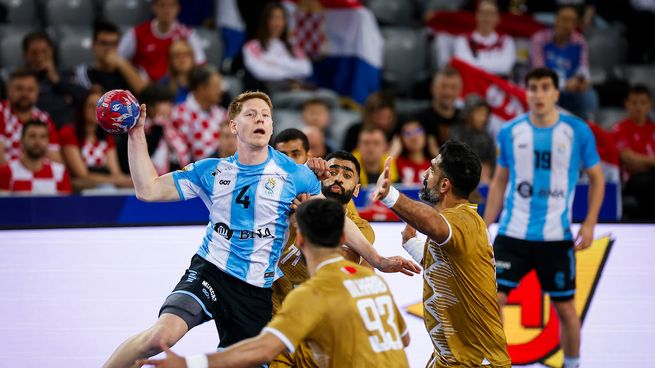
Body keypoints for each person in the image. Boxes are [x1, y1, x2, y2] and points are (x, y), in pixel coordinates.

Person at [102, 91, 418, 368]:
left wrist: (377, 260)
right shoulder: (212, 171)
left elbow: (337, 219)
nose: (260, 119)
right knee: (160, 337)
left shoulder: (295, 175)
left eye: (266, 114)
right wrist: (136, 134)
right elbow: (148, 190)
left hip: (255, 293)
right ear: (233, 126)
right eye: (251, 114)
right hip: (211, 271)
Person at [137, 199, 410, 368]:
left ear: (300, 241)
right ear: (342, 239)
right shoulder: (368, 278)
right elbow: (404, 338)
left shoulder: (310, 294)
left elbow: (263, 349)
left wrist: (191, 364)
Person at [483, 67, 605, 368]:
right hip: (512, 234)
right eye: (533, 88)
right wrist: (484, 224)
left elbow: (598, 179)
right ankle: (497, 362)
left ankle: (573, 364)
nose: (538, 94)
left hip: (556, 237)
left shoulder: (577, 131)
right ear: (526, 93)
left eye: (544, 87)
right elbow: (500, 180)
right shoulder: (510, 131)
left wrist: (589, 224)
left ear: (556, 93)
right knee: (491, 302)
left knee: (565, 309)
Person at [372, 140, 511, 367]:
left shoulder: (462, 220)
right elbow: (448, 267)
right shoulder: (460, 224)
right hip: (449, 359)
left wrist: (390, 196)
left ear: (445, 185)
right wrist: (411, 243)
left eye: (433, 169)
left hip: (477, 363)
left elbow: (435, 225)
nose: (425, 174)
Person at [270, 150, 376, 367]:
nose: (338, 178)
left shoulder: (361, 229)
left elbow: (339, 262)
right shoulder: (288, 202)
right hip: (277, 327)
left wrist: (304, 223)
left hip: (319, 337)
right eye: (333, 171)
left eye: (347, 176)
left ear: (356, 190)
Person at [530, 5, 599, 120]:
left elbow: (583, 69)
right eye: (564, 20)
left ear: (576, 24)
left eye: (572, 21)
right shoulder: (540, 39)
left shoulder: (580, 41)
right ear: (556, 20)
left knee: (589, 95)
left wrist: (581, 81)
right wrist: (564, 85)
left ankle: (588, 130)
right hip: (546, 89)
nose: (567, 25)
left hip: (571, 89)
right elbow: (539, 74)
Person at [59, 89, 133, 190]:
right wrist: (117, 180)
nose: (96, 110)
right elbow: (82, 175)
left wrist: (127, 181)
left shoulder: (107, 136)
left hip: (104, 185)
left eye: (100, 107)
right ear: (82, 108)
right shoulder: (69, 133)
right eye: (91, 106)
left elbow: (115, 172)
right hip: (79, 190)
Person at [118, 0, 206, 82]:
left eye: (172, 5)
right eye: (162, 5)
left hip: (175, 88)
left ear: (178, 8)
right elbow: (118, 58)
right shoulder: (136, 33)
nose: (167, 10)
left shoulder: (188, 35)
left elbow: (200, 65)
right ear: (154, 7)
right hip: (145, 89)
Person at [242, 2, 312, 93]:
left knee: (328, 97)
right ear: (265, 21)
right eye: (273, 18)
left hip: (295, 87)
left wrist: (275, 63)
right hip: (271, 91)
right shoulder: (252, 46)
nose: (276, 23)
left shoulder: (292, 46)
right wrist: (291, 69)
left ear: (285, 22)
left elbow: (306, 69)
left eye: (280, 18)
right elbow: (261, 73)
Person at [22, 31, 86, 128]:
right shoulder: (20, 80)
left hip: (65, 131)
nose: (39, 58)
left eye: (44, 52)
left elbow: (85, 98)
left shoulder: (66, 74)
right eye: (34, 53)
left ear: (51, 51)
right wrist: (65, 102)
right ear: (25, 55)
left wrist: (56, 80)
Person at [167, 65, 227, 168]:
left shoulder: (221, 113)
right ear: (202, 88)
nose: (221, 91)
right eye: (216, 86)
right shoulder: (179, 114)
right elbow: (181, 155)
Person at [0, 68, 62, 165]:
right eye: (19, 89)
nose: (25, 94)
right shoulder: (1, 111)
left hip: (39, 176)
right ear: (8, 90)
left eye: (30, 90)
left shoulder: (44, 118)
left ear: (37, 92)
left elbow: (55, 158)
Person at [611, 84, 655, 219]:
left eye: (643, 103)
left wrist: (642, 162)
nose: (638, 107)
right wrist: (651, 162)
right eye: (634, 103)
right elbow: (628, 159)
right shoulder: (620, 128)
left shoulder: (653, 128)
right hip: (630, 181)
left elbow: (636, 160)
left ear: (650, 105)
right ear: (627, 104)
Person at [74, 21, 147, 94]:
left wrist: (121, 63)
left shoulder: (132, 69)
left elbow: (145, 93)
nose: (109, 48)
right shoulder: (84, 71)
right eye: (104, 43)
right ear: (93, 44)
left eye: (114, 44)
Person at [0, 119, 71, 194]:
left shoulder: (60, 173)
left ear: (48, 141)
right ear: (21, 140)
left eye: (43, 137)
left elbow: (65, 205)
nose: (38, 141)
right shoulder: (6, 172)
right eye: (32, 136)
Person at [452, 0, 516, 78]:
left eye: (491, 14)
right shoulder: (462, 39)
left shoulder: (506, 40)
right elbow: (463, 65)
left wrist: (477, 64)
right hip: (471, 81)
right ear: (476, 16)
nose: (487, 18)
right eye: (483, 13)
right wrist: (494, 65)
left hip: (498, 83)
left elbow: (505, 67)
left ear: (498, 18)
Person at [415, 66, 463, 157]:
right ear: (432, 88)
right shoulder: (418, 119)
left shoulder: (466, 119)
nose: (448, 92)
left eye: (453, 87)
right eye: (443, 86)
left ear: (460, 91)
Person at [448, 94, 496, 184]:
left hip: (485, 179)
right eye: (479, 113)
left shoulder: (487, 136)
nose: (483, 118)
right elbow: (455, 158)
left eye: (485, 115)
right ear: (468, 113)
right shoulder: (456, 133)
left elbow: (493, 159)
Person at [395, 117, 431, 186]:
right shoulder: (396, 163)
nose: (414, 137)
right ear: (401, 139)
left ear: (425, 135)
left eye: (418, 131)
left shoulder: (434, 165)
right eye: (408, 133)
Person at [159, 39, 196, 104]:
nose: (182, 59)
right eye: (177, 55)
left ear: (192, 58)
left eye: (186, 54)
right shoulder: (163, 86)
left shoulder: (202, 82)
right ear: (170, 60)